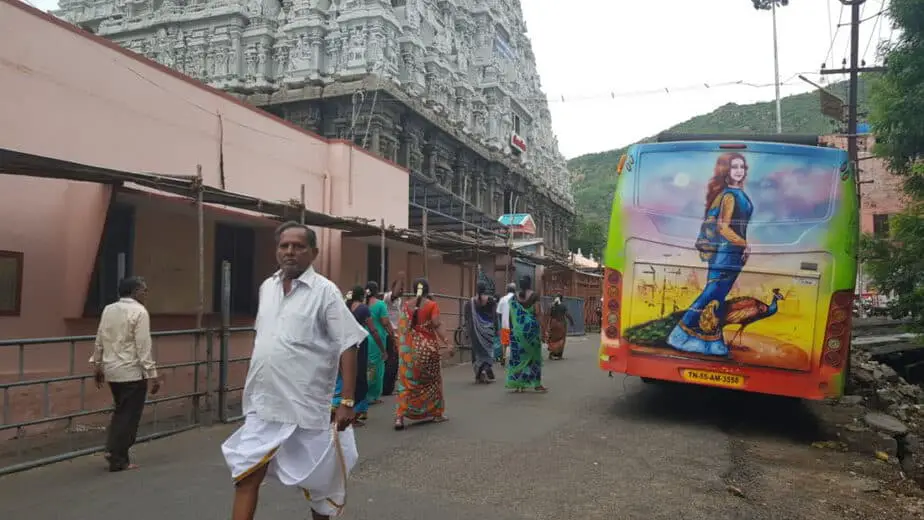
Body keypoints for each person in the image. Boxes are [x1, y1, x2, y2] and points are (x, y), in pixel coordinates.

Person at [222, 221, 369, 520]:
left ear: (313, 253)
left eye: (298, 246)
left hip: (307, 409)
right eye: (284, 246)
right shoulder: (267, 287)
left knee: (322, 488)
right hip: (264, 404)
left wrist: (347, 401)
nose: (290, 252)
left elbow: (348, 343)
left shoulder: (325, 292)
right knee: (246, 476)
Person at [668, 153, 753, 357]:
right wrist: (745, 244)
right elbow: (723, 228)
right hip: (726, 252)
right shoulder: (730, 196)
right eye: (734, 167)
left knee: (717, 297)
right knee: (711, 294)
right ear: (727, 171)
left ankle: (710, 341)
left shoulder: (735, 193)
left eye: (742, 166)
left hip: (733, 253)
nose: (739, 170)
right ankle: (679, 334)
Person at [90, 275, 161, 472]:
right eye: (144, 290)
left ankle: (115, 450)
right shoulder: (140, 312)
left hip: (112, 369)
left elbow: (100, 337)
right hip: (131, 371)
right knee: (129, 415)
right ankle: (117, 454)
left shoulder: (109, 309)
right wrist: (152, 374)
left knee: (121, 410)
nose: (146, 294)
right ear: (135, 291)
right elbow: (143, 346)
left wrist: (97, 363)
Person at [394, 278, 453, 430]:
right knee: (433, 382)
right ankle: (437, 413)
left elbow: (403, 330)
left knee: (407, 384)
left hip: (409, 352)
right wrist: (447, 342)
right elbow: (436, 324)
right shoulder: (432, 305)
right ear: (428, 290)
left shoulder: (406, 306)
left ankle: (400, 417)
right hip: (427, 351)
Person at [332, 287, 381, 426]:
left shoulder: (345, 307)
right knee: (359, 377)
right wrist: (382, 349)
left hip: (341, 345)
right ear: (362, 296)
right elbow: (373, 330)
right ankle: (353, 413)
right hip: (358, 345)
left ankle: (340, 408)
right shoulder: (363, 309)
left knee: (343, 377)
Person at [505, 275, 547, 393]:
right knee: (534, 358)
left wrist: (512, 330)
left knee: (519, 357)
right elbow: (538, 313)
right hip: (531, 331)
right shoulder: (534, 295)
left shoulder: (514, 297)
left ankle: (519, 384)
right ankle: (537, 384)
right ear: (530, 284)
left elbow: (510, 315)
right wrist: (544, 330)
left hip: (518, 331)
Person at [364, 281, 393, 404]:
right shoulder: (380, 305)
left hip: (364, 338)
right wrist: (393, 334)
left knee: (366, 366)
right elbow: (385, 322)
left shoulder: (362, 305)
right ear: (376, 292)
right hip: (377, 340)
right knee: (377, 367)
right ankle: (372, 395)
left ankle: (363, 393)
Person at [464, 281, 497, 383]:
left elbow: (467, 319)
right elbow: (494, 317)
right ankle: (485, 367)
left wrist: (468, 332)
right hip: (488, 331)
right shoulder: (491, 301)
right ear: (485, 289)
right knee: (487, 351)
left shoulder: (470, 303)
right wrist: (496, 330)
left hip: (475, 331)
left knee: (476, 352)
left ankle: (479, 374)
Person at [382, 274, 405, 396]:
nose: (401, 290)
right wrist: (400, 280)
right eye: (400, 288)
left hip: (397, 334)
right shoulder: (388, 297)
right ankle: (386, 388)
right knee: (391, 361)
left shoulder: (399, 300)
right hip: (389, 333)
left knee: (395, 361)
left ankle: (390, 387)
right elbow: (395, 293)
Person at [546, 294, 575, 360]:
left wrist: (548, 325)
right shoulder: (563, 306)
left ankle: (551, 354)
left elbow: (549, 315)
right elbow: (567, 314)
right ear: (561, 299)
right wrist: (571, 321)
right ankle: (559, 356)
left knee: (552, 339)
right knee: (561, 339)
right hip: (561, 323)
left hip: (553, 323)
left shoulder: (552, 306)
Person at [495, 283, 516, 364]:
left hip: (505, 324)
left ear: (507, 290)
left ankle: (503, 357)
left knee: (504, 342)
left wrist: (501, 320)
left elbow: (499, 312)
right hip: (515, 325)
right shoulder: (517, 299)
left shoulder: (503, 299)